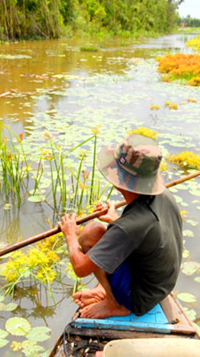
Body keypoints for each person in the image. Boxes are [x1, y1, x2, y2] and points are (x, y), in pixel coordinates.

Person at [59, 134, 183, 319]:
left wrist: (70, 235)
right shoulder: (164, 196)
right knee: (104, 237)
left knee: (92, 233)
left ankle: (115, 304)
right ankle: (106, 289)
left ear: (122, 180)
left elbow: (80, 268)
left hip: (141, 298)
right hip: (160, 284)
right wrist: (114, 219)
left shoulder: (130, 226)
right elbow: (145, 233)